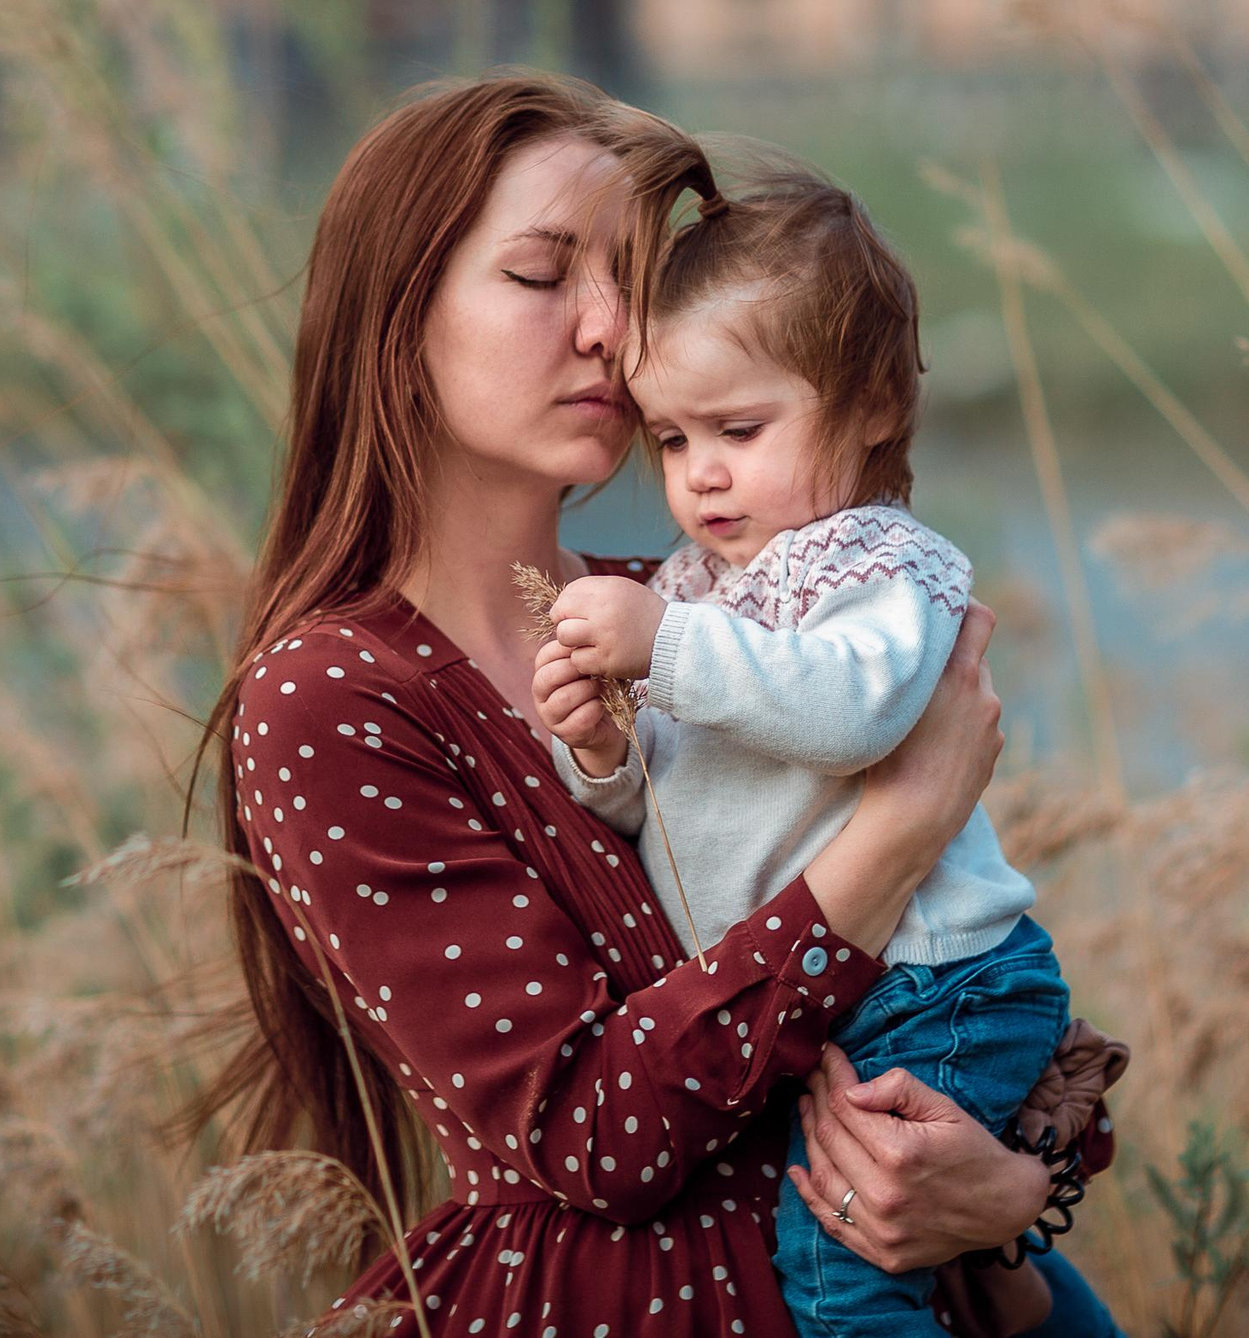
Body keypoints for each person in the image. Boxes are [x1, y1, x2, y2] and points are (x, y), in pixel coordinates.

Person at [186, 72, 1123, 1335]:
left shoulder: (705, 611)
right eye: (541, 276)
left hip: (900, 1287)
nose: (610, 332)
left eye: (629, 282)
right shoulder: (335, 701)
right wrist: (896, 832)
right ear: (395, 314)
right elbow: (593, 1140)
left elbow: (957, 980)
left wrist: (1005, 1188)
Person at [533, 166, 1072, 1335]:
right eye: (671, 439)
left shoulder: (878, 563)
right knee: (943, 1267)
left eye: (739, 428)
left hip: (935, 979)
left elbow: (853, 716)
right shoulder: (699, 588)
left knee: (842, 1273)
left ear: (872, 403)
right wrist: (606, 758)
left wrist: (665, 647)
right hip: (846, 990)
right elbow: (681, 808)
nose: (701, 473)